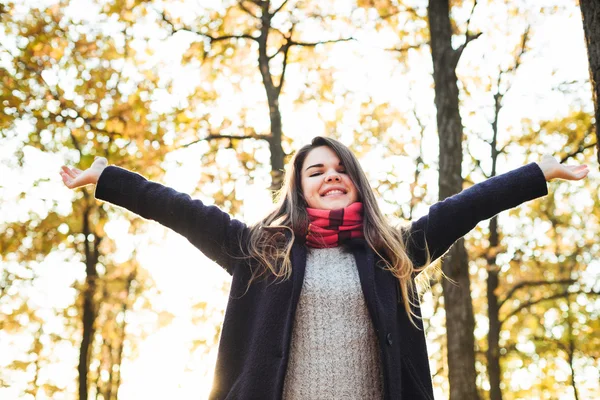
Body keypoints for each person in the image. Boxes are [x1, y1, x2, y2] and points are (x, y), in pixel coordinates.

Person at [60, 136, 589, 400]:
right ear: (300, 187)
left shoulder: (394, 251)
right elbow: (182, 210)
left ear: (356, 183)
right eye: (317, 170)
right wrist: (108, 179)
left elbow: (465, 207)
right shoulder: (260, 250)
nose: (331, 176)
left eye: (342, 170)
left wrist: (535, 173)